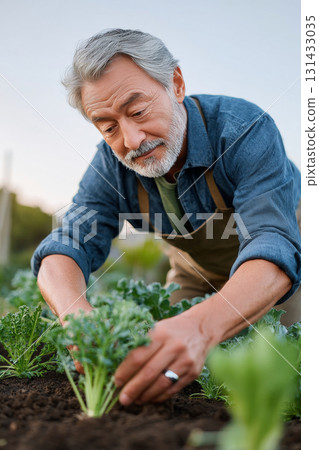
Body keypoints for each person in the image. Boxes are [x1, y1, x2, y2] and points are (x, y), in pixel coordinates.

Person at [32, 29, 301, 406]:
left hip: (280, 277)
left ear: (175, 84)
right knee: (165, 368)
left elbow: (273, 241)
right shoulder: (112, 164)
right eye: (108, 127)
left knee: (288, 370)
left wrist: (201, 327)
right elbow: (68, 242)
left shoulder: (243, 131)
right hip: (194, 275)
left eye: (138, 111)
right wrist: (77, 320)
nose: (131, 138)